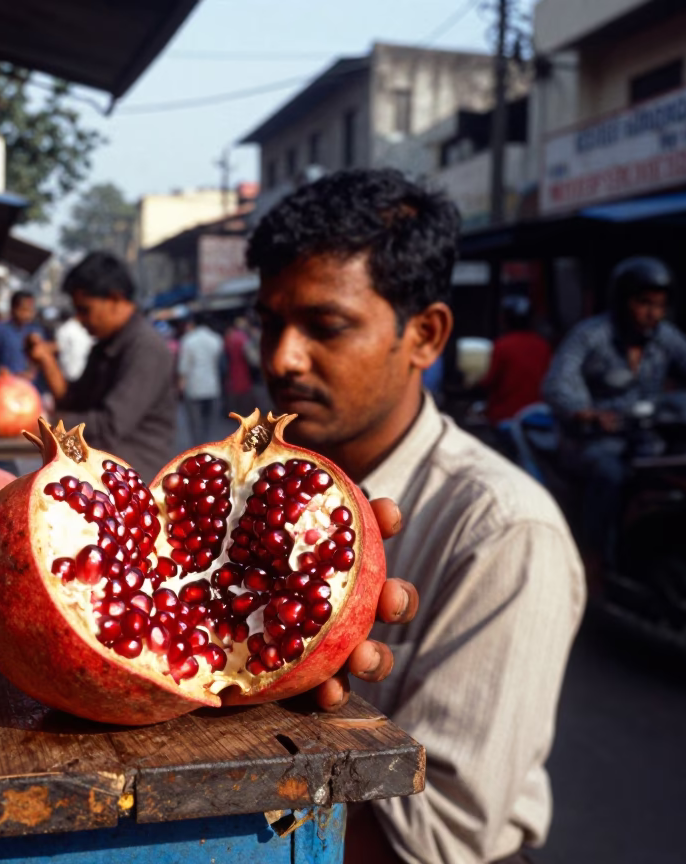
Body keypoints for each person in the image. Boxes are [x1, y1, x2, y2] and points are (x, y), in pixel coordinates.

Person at [247, 168, 584, 864]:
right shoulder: (254, 494)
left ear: (425, 336)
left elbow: (440, 833)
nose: (282, 357)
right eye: (270, 323)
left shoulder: (505, 532)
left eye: (326, 326)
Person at [542, 256, 686, 569]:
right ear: (622, 301)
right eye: (644, 303)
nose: (652, 314)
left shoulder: (664, 337)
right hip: (592, 441)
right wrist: (586, 413)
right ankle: (595, 561)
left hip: (646, 439)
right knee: (610, 473)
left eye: (659, 306)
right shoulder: (591, 335)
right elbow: (558, 383)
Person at [26, 251, 177, 480]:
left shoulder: (146, 348)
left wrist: (43, 425)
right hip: (101, 475)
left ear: (115, 299)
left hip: (136, 483)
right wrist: (47, 362)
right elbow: (73, 400)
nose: (79, 319)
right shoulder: (105, 345)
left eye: (85, 310)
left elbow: (109, 426)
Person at [482, 295, 552, 427]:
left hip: (507, 416)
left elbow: (488, 380)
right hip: (541, 414)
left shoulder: (502, 345)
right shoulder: (542, 345)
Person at [177, 313, 225, 445]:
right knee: (210, 422)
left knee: (195, 423)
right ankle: (210, 445)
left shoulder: (188, 340)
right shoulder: (216, 339)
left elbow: (184, 366)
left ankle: (198, 448)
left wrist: (181, 385)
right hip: (212, 385)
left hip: (194, 386)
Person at [0, 290, 43, 379]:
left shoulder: (36, 331)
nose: (28, 315)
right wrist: (2, 373)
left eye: (31, 310)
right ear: (13, 308)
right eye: (24, 310)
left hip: (31, 388)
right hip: (7, 386)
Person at [223, 316, 256, 416]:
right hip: (244, 372)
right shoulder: (243, 338)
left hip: (233, 372)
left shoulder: (229, 338)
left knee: (236, 396)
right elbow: (251, 359)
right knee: (245, 397)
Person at [54, 309, 95, 383]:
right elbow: (58, 350)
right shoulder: (66, 329)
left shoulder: (89, 329)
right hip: (68, 377)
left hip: (85, 378)